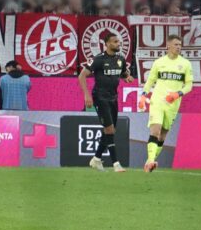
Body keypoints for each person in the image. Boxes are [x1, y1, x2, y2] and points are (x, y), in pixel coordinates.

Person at [77, 31, 132, 171]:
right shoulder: (98, 59)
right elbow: (82, 76)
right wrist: (86, 95)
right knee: (109, 129)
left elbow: (123, 72)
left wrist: (127, 77)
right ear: (106, 44)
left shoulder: (121, 58)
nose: (117, 44)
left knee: (111, 129)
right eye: (114, 42)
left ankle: (96, 159)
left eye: (118, 42)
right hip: (100, 97)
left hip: (113, 97)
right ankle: (116, 164)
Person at [141, 34, 194, 172]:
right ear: (168, 46)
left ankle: (149, 161)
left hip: (173, 104)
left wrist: (178, 94)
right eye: (176, 44)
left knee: (163, 134)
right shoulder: (159, 62)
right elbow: (150, 81)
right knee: (155, 130)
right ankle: (151, 161)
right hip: (158, 100)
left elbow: (188, 86)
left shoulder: (186, 64)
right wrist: (143, 95)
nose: (178, 47)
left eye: (180, 45)